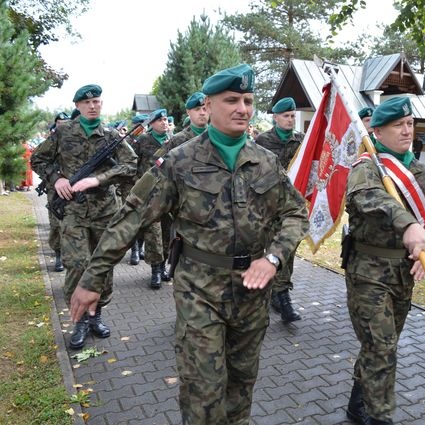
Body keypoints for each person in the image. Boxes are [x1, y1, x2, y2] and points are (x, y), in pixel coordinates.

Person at [69, 64, 309, 424]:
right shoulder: (180, 161)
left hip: (252, 295)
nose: (242, 108)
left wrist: (273, 258)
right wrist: (92, 279)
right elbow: (131, 217)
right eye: (231, 100)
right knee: (203, 393)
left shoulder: (266, 161)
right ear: (208, 106)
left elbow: (296, 214)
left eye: (247, 100)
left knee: (241, 389)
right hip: (200, 292)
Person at [343, 97, 425, 425]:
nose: (406, 131)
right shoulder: (367, 166)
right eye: (397, 125)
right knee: (382, 348)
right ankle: (380, 417)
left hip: (404, 274)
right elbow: (367, 198)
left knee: (382, 346)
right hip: (369, 273)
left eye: (410, 124)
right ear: (377, 130)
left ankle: (357, 402)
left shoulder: (417, 170)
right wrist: (409, 224)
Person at [31, 84, 137, 350]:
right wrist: (57, 179)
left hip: (105, 211)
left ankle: (96, 316)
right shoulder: (64, 132)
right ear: (78, 106)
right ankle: (78, 321)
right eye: (87, 102)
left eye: (97, 101)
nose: (93, 106)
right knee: (78, 264)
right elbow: (37, 160)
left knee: (102, 266)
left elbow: (131, 165)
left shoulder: (111, 136)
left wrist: (98, 179)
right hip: (73, 212)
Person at [254, 96, 305, 322]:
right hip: (267, 206)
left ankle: (282, 296)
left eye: (293, 116)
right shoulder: (262, 141)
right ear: (275, 118)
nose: (291, 120)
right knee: (267, 249)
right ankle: (272, 293)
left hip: (290, 207)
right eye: (286, 116)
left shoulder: (302, 141)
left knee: (287, 248)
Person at [133, 108, 172, 288]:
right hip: (150, 196)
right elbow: (132, 164)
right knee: (153, 234)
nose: (164, 123)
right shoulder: (142, 141)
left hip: (170, 196)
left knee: (166, 233)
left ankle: (163, 266)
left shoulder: (173, 141)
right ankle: (155, 270)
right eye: (160, 120)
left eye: (165, 120)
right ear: (152, 123)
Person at [46, 111, 71, 272]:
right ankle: (58, 254)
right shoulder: (52, 141)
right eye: (60, 123)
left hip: (73, 188)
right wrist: (55, 177)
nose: (63, 125)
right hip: (54, 189)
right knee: (56, 224)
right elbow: (40, 161)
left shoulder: (74, 139)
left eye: (66, 122)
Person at [153, 91, 209, 159]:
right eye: (197, 109)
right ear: (188, 112)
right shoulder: (176, 140)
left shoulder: (218, 136)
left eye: (205, 109)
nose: (202, 113)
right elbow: (156, 161)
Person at [124, 114, 148, 266]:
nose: (142, 128)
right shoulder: (126, 142)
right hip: (131, 186)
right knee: (133, 220)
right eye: (139, 126)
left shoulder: (146, 141)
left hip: (147, 187)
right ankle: (133, 249)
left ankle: (140, 247)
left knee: (146, 220)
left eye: (143, 126)